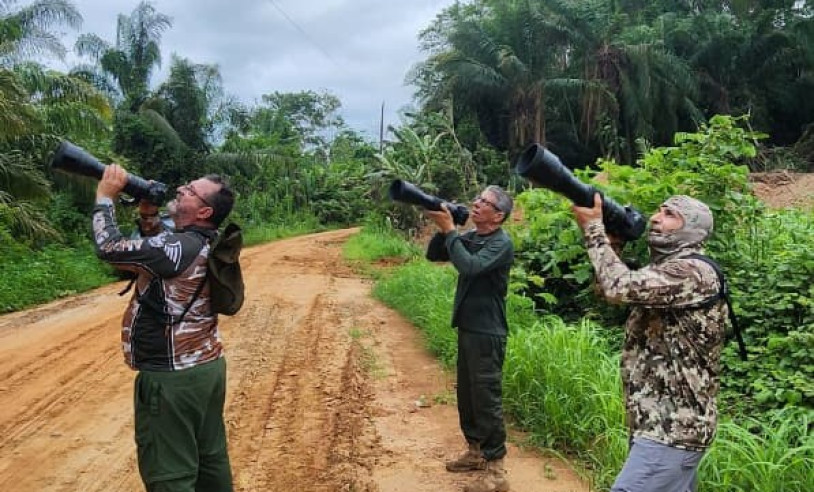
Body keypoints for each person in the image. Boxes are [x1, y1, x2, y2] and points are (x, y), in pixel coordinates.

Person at [92, 164, 236, 492]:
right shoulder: (200, 242)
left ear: (204, 210)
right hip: (206, 369)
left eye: (189, 190)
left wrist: (105, 197)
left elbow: (109, 248)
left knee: (170, 475)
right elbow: (165, 250)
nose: (181, 189)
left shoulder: (179, 248)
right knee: (210, 457)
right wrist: (147, 217)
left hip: (171, 382)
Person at [572, 193, 727, 492]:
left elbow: (619, 287)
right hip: (659, 424)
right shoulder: (667, 269)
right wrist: (613, 242)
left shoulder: (692, 272)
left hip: (673, 429)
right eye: (658, 210)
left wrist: (593, 230)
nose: (656, 217)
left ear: (692, 230)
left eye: (670, 214)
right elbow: (608, 290)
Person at [425, 185, 514, 492]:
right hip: (468, 328)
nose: (476, 204)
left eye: (484, 203)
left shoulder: (501, 243)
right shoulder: (473, 237)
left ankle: (497, 470)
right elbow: (434, 255)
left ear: (498, 215)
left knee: (486, 398)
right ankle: (476, 452)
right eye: (477, 199)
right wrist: (444, 228)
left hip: (488, 333)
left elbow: (470, 266)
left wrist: (451, 230)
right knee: (468, 395)